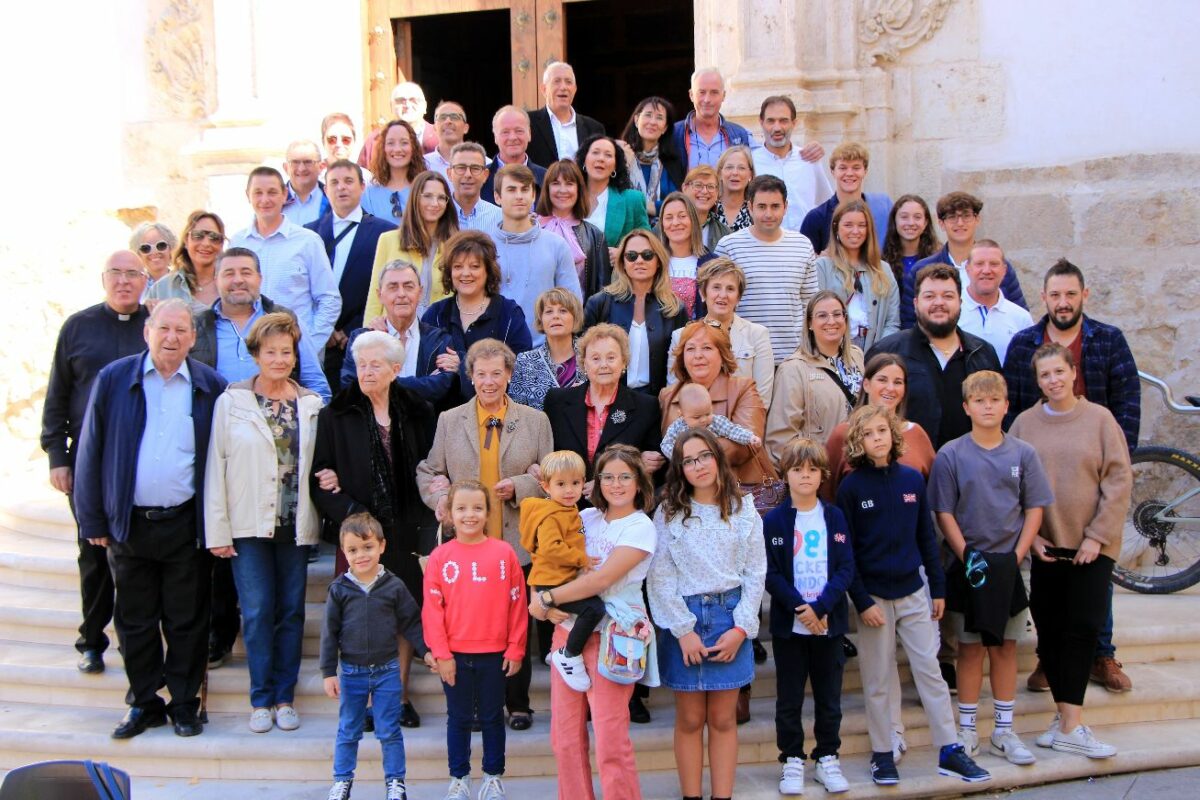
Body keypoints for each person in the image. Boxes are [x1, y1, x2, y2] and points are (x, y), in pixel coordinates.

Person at [73, 299, 227, 739]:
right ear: (148, 331)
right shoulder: (114, 379)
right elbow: (90, 453)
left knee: (186, 620)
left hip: (185, 523)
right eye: (164, 329)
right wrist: (93, 521)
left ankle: (182, 704)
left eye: (182, 330)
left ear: (193, 339)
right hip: (130, 523)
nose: (172, 338)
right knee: (134, 620)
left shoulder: (210, 386)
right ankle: (144, 703)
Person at [1004, 258, 1140, 694]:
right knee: (1050, 590)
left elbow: (1128, 405)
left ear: (1084, 296)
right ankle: (1049, 659)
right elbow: (1016, 416)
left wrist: (1114, 461)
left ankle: (1101, 654)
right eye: (1055, 295)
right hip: (1047, 484)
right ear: (1043, 298)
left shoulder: (1108, 340)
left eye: (1070, 294)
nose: (1063, 302)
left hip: (1092, 473)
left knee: (1095, 586)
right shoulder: (1025, 343)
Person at [835, 405, 990, 786]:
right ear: (858, 441)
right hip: (873, 598)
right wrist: (862, 601)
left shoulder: (911, 480)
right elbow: (846, 552)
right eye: (868, 433)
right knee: (878, 678)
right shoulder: (851, 488)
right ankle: (883, 752)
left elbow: (926, 538)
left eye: (882, 431)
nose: (876, 438)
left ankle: (950, 749)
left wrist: (936, 588)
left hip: (914, 593)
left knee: (931, 673)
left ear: (892, 435)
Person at [415, 338, 553, 731]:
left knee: (514, 622)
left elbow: (549, 477)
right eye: (481, 373)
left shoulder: (535, 420)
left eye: (497, 373)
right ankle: (474, 705)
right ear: (470, 376)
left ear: (509, 375)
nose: (489, 381)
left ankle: (518, 703)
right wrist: (441, 497)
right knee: (471, 627)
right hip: (466, 545)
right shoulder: (450, 420)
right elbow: (429, 470)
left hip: (515, 542)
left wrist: (521, 486)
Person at [1010, 343, 1133, 759]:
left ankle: (1071, 724)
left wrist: (1097, 536)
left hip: (1092, 549)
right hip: (1048, 548)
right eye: (1045, 375)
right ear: (1038, 380)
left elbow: (1118, 481)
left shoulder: (1100, 420)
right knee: (1051, 633)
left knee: (1082, 631)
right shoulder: (1025, 425)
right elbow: (1012, 485)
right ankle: (1065, 722)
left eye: (1059, 372)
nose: (1053, 380)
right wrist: (1032, 538)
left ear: (1073, 372)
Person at [311, 330, 438, 730]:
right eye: (361, 364)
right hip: (359, 535)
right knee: (362, 618)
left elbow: (432, 468)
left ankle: (397, 695)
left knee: (402, 613)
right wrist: (352, 515)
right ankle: (367, 699)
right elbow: (320, 479)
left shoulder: (418, 410)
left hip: (407, 529)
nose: (366, 371)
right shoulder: (337, 412)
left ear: (395, 370)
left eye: (375, 364)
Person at [204, 312, 322, 734]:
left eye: (286, 352)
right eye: (270, 351)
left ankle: (285, 697)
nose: (278, 359)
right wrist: (217, 531)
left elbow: (318, 464)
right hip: (248, 526)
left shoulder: (310, 404)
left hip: (295, 525)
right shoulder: (231, 402)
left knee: (290, 612)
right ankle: (261, 698)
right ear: (256, 354)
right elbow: (215, 467)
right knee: (255, 611)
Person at [929, 371, 1054, 766]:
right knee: (969, 648)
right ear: (966, 407)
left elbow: (1034, 507)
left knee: (1005, 648)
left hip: (1010, 565)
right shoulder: (951, 454)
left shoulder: (1022, 454)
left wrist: (1016, 555)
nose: (987, 407)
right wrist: (967, 554)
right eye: (978, 401)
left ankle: (1004, 729)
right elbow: (943, 510)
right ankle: (968, 728)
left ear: (1005, 405)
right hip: (970, 565)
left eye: (994, 400)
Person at [42, 251, 150, 676]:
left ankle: (133, 640)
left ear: (145, 281)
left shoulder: (155, 326)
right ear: (103, 279)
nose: (124, 282)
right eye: (116, 274)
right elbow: (58, 395)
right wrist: (57, 456)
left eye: (133, 275)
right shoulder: (78, 327)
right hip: (88, 463)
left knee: (131, 556)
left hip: (139, 464)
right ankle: (91, 640)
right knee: (93, 553)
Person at [529, 444, 658, 800]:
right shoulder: (584, 518)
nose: (616, 484)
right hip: (567, 634)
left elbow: (600, 581)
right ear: (596, 482)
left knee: (610, 738)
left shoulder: (640, 526)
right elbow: (545, 559)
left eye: (625, 477)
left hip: (614, 638)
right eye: (608, 477)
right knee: (565, 738)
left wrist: (548, 598)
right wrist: (536, 596)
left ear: (638, 482)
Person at [649, 427, 766, 800]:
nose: (698, 466)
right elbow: (661, 576)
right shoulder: (669, 513)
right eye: (689, 460)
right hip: (686, 617)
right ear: (680, 469)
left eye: (704, 456)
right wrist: (683, 630)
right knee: (690, 719)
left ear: (717, 457)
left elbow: (755, 571)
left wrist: (742, 628)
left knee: (722, 719)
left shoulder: (742, 508)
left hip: (730, 616)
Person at [424, 480, 528, 800]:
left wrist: (516, 647)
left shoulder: (504, 553)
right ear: (449, 515)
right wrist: (441, 654)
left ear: (488, 511)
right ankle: (459, 778)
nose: (470, 515)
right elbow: (432, 610)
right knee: (458, 718)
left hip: (494, 653)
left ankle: (493, 777)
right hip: (454, 655)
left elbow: (517, 603)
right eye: (462, 508)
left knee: (493, 716)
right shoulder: (440, 557)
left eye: (477, 508)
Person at [763, 438, 854, 795]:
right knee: (789, 698)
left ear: (822, 475)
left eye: (812, 470)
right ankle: (791, 759)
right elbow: (771, 574)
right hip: (791, 627)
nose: (805, 476)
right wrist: (801, 609)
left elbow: (846, 567)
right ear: (785, 474)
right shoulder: (775, 521)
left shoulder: (834, 517)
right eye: (797, 469)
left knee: (829, 698)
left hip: (828, 626)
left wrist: (821, 608)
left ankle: (827, 756)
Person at [321, 512, 433, 800]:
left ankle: (395, 783)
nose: (361, 555)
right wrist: (328, 672)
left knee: (389, 731)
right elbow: (329, 633)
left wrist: (427, 651)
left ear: (382, 546)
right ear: (344, 552)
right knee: (348, 730)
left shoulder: (393, 586)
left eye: (368, 547)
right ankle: (342, 781)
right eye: (353, 550)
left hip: (387, 671)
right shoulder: (339, 589)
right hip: (352, 672)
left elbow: (411, 623)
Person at [868, 263, 1001, 450]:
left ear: (960, 303)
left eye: (948, 296)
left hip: (969, 469)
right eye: (929, 296)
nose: (939, 303)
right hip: (906, 467)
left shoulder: (982, 354)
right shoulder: (888, 352)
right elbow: (865, 415)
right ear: (916, 304)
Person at [189, 247, 331, 402]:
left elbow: (315, 384)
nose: (238, 280)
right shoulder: (197, 327)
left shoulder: (286, 320)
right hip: (217, 422)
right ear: (216, 280)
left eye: (246, 272)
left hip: (279, 422)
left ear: (259, 278)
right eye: (229, 273)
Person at [305, 159, 399, 386]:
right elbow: (304, 290)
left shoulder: (385, 232)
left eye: (348, 181)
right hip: (318, 343)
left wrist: (353, 330)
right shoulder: (309, 234)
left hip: (363, 339)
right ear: (325, 189)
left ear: (362, 186)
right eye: (334, 182)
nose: (341, 187)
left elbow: (385, 287)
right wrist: (324, 330)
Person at [229, 166, 341, 351]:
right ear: (248, 195)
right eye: (258, 193)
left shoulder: (307, 241)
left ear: (284, 194)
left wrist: (309, 345)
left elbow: (329, 299)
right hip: (249, 351)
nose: (265, 200)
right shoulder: (238, 242)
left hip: (296, 352)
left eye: (272, 192)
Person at [519, 451, 605, 688]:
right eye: (561, 484)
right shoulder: (551, 516)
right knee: (593, 608)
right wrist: (582, 559)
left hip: (558, 579)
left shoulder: (568, 510)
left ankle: (556, 651)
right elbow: (551, 548)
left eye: (575, 483)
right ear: (545, 487)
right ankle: (568, 655)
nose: (569, 490)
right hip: (552, 582)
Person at [714, 174, 819, 364]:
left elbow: (810, 304)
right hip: (742, 357)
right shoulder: (728, 247)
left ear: (785, 207)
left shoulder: (803, 246)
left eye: (775, 206)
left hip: (793, 358)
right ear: (749, 207)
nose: (768, 214)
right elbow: (717, 305)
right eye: (762, 206)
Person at [543, 323, 665, 479]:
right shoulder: (556, 401)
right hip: (568, 499)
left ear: (624, 362)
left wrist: (643, 463)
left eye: (611, 357)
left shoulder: (646, 407)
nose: (604, 365)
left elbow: (654, 467)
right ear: (584, 363)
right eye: (595, 358)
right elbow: (546, 454)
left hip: (620, 498)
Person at [422, 230, 533, 399]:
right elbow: (424, 370)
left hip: (495, 414)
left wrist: (462, 365)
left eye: (474, 266)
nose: (466, 273)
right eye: (458, 267)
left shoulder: (509, 314)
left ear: (488, 270)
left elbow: (520, 372)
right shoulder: (435, 314)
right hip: (442, 417)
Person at [660, 320, 773, 484]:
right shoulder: (667, 395)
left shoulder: (744, 388)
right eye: (690, 349)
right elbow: (667, 445)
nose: (698, 355)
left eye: (706, 348)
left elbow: (747, 445)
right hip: (688, 492)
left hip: (739, 487)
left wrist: (690, 459)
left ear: (722, 354)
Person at [583, 229, 688, 396]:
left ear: (658, 260)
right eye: (631, 256)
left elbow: (681, 363)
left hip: (655, 403)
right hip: (607, 398)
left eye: (647, 255)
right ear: (622, 262)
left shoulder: (675, 308)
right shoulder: (599, 303)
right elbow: (583, 355)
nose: (639, 260)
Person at [901, 191, 1027, 329]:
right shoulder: (921, 270)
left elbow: (1019, 315)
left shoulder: (997, 267)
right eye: (952, 217)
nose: (960, 223)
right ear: (941, 224)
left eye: (966, 216)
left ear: (977, 219)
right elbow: (909, 323)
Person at [341, 261, 457, 405]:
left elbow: (439, 389)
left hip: (422, 425)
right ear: (380, 295)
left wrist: (377, 383)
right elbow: (350, 387)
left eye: (408, 287)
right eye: (393, 287)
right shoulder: (361, 339)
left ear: (420, 293)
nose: (401, 294)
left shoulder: (439, 340)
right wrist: (421, 383)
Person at [489, 164, 581, 345]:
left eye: (525, 189)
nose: (519, 196)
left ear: (533, 195)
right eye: (511, 189)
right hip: (495, 352)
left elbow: (572, 303)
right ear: (497, 197)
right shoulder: (484, 247)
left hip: (544, 350)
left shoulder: (556, 245)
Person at [824, 352, 937, 499]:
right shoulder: (843, 433)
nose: (890, 388)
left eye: (898, 382)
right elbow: (827, 494)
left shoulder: (916, 433)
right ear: (866, 384)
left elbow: (933, 495)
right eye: (882, 380)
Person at [766, 291, 865, 457]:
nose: (831, 321)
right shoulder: (793, 369)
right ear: (810, 323)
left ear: (845, 319)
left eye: (837, 314)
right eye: (822, 316)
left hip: (859, 462)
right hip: (821, 468)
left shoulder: (857, 356)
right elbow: (781, 437)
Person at [666, 258, 775, 405]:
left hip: (743, 421)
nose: (723, 295)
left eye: (730, 289)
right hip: (693, 423)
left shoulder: (757, 334)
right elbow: (674, 392)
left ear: (738, 298)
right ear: (703, 293)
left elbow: (762, 398)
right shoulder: (680, 336)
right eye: (716, 287)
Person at [365, 170, 459, 320]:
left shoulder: (454, 244)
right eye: (427, 196)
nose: (435, 203)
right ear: (415, 199)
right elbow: (375, 295)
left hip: (438, 333)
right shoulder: (388, 240)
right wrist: (368, 333)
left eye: (441, 198)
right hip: (393, 332)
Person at [814, 199, 900, 351]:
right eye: (848, 225)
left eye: (862, 225)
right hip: (833, 352)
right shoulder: (822, 267)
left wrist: (878, 354)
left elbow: (892, 322)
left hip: (876, 353)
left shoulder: (884, 270)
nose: (855, 231)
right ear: (836, 228)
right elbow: (815, 316)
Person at [752, 95, 833, 231]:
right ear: (761, 123)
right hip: (766, 246)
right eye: (771, 121)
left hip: (806, 245)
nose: (777, 128)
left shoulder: (809, 160)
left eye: (783, 121)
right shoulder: (751, 162)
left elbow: (826, 204)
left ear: (794, 123)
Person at [535, 159, 612, 298]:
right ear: (547, 188)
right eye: (556, 183)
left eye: (569, 183)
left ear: (578, 189)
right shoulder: (531, 228)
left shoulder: (595, 236)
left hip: (580, 315)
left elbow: (602, 292)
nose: (562, 190)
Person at [800, 142, 893, 255]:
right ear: (833, 172)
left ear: (865, 171)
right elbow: (804, 263)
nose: (849, 173)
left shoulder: (882, 209)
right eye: (843, 168)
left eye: (856, 168)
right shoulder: (815, 218)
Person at [508, 287, 587, 410]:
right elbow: (517, 412)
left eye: (563, 311)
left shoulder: (590, 357)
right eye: (549, 312)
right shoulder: (525, 361)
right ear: (541, 320)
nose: (555, 316)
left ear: (575, 317)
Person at [958, 239, 1034, 365]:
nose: (987, 270)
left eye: (994, 264)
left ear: (1004, 270)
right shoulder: (952, 314)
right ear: (967, 269)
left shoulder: (1021, 318)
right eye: (979, 264)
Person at [575, 134, 651, 252]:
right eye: (595, 152)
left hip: (612, 270)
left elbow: (648, 245)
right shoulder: (569, 196)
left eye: (608, 155)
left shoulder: (632, 199)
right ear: (584, 159)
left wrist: (622, 255)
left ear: (615, 166)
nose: (601, 158)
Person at [527, 61, 606, 168]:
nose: (563, 87)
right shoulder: (528, 123)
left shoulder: (594, 128)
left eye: (568, 82)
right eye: (557, 81)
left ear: (575, 89)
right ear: (544, 89)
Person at [672, 68, 753, 169]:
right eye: (702, 92)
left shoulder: (739, 135)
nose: (707, 100)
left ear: (723, 96)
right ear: (691, 95)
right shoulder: (674, 134)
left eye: (714, 92)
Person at [145, 209, 226, 311]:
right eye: (198, 235)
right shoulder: (162, 289)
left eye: (214, 237)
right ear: (186, 240)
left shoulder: (232, 285)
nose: (206, 243)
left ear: (221, 244)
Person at [620, 96, 685, 219]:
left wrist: (644, 205)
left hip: (664, 230)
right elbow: (613, 196)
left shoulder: (672, 162)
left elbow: (678, 201)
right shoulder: (620, 156)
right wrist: (625, 164)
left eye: (659, 118)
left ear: (665, 128)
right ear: (636, 120)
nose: (653, 122)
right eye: (648, 115)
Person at [655, 192, 716, 317]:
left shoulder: (712, 264)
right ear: (662, 225)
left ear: (693, 220)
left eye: (682, 216)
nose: (675, 222)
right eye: (669, 217)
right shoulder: (653, 261)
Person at [660, 383, 761, 457]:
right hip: (687, 467)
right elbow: (666, 444)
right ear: (681, 414)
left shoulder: (716, 421)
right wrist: (679, 456)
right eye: (697, 417)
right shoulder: (677, 427)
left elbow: (732, 430)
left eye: (707, 413)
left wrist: (749, 437)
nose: (704, 420)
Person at [361, 120, 426, 222]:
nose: (397, 149)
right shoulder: (369, 193)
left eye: (404, 143)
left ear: (413, 147)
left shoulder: (425, 188)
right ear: (383, 148)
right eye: (391, 143)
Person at [481, 105, 548, 204]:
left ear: (529, 134)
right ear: (495, 137)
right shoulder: (480, 179)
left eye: (519, 131)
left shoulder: (546, 178)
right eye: (505, 132)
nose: (512, 137)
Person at [881, 194, 939, 290]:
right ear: (894, 221)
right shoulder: (882, 262)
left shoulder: (938, 259)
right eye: (904, 217)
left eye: (917, 217)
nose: (911, 223)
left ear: (925, 223)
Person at [448, 142, 504, 232]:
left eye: (475, 168)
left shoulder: (500, 218)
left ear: (485, 175)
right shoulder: (438, 214)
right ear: (449, 173)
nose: (468, 175)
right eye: (461, 168)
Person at [281, 140, 329, 226]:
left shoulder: (332, 200)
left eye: (308, 162)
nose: (302, 168)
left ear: (321, 167)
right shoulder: (274, 200)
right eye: (295, 162)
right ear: (286, 168)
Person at [681, 165, 729, 248]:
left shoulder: (725, 234)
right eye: (698, 185)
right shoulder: (668, 226)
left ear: (717, 192)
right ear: (684, 188)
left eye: (710, 186)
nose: (704, 191)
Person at [423, 100, 472, 177]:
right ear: (435, 128)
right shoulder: (422, 165)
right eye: (442, 117)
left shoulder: (484, 164)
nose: (448, 121)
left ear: (466, 128)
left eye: (454, 117)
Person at [713, 145, 755, 232]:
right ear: (720, 173)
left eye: (741, 168)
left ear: (750, 174)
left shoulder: (755, 209)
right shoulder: (709, 207)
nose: (735, 173)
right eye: (729, 167)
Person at [129, 222, 177, 291]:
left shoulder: (185, 282)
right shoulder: (133, 286)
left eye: (161, 245)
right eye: (146, 248)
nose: (154, 252)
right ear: (138, 254)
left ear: (170, 249)